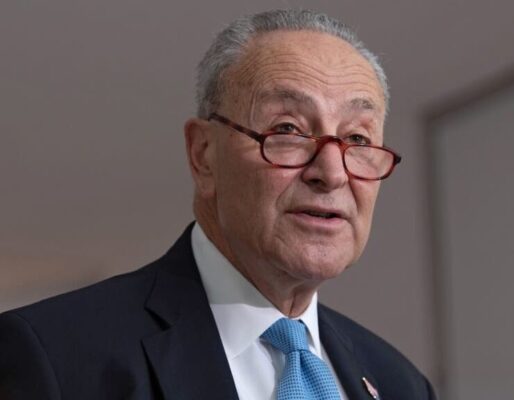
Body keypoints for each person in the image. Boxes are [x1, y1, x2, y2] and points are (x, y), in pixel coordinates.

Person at [0, 9, 435, 400]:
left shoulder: (401, 384)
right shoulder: (54, 358)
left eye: (357, 138)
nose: (333, 173)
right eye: (288, 129)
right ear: (203, 154)